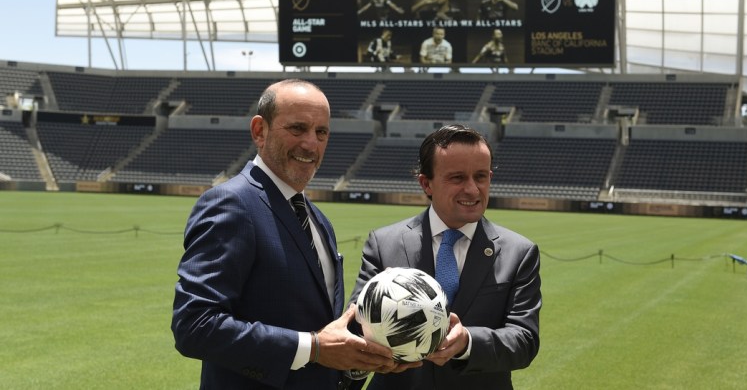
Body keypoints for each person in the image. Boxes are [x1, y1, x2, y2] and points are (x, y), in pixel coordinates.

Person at [172, 79, 406, 389]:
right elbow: (195, 326)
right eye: (297, 129)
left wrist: (361, 361)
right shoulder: (231, 203)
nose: (311, 144)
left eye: (321, 132)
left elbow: (326, 338)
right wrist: (314, 348)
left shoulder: (319, 221)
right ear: (260, 131)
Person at [347, 124, 542, 390]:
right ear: (426, 183)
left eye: (481, 177)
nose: (473, 189)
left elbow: (524, 340)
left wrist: (467, 343)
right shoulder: (383, 244)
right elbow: (357, 323)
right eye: (458, 178)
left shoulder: (519, 252)